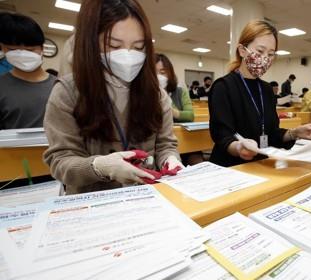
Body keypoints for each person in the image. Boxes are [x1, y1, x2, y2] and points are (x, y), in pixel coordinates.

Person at [43, 0, 182, 194]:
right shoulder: (68, 92)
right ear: (91, 44)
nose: (127, 55)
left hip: (147, 197)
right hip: (93, 202)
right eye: (114, 46)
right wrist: (100, 166)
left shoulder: (155, 94)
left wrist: (170, 159)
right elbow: (61, 161)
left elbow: (166, 145)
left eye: (139, 47)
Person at [208, 20, 311, 167]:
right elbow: (222, 135)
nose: (265, 58)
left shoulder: (266, 89)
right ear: (242, 50)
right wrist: (240, 147)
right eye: (260, 51)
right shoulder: (223, 87)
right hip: (230, 166)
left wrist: (295, 133)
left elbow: (271, 133)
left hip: (261, 164)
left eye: (271, 54)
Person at [0, 13, 57, 129]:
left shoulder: (59, 85)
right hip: (15, 147)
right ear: (2, 48)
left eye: (30, 50)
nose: (22, 54)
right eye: (13, 49)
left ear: (42, 49)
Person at [156, 53, 194, 122]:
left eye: (163, 72)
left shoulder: (181, 91)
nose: (158, 76)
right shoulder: (144, 93)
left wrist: (168, 109)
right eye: (153, 73)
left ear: (170, 73)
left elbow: (190, 116)